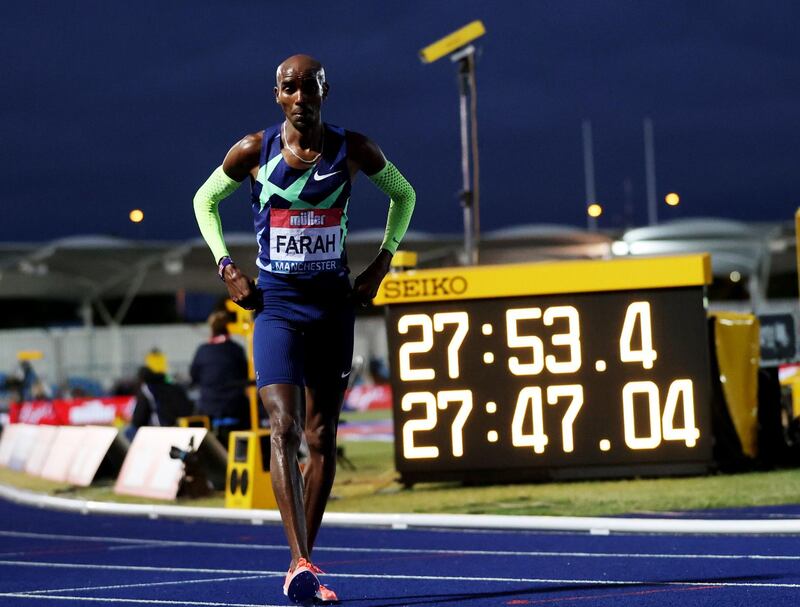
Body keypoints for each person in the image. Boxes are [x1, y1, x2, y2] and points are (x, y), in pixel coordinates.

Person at [192, 54, 415, 604]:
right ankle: (300, 562)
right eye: (289, 88)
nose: (299, 97)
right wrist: (226, 267)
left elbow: (404, 195)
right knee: (283, 427)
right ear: (277, 95)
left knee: (321, 437)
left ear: (324, 91)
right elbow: (204, 201)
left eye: (308, 87)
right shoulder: (253, 150)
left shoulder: (354, 149)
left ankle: (302, 564)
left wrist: (382, 263)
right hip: (277, 304)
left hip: (333, 304)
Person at [189, 310, 251, 446]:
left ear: (211, 329)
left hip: (209, 408)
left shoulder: (203, 350)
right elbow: (244, 375)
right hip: (235, 408)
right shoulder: (236, 350)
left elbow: (194, 377)